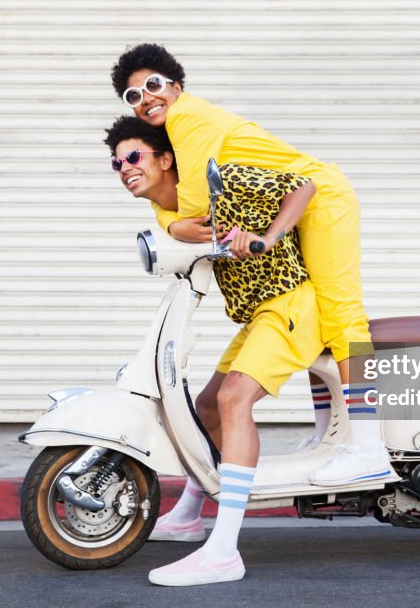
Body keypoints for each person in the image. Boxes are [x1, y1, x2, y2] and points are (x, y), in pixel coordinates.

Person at [110, 44, 389, 485]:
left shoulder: (188, 118)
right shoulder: (181, 142)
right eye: (133, 96)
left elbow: (196, 205)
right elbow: (179, 205)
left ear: (176, 86)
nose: (145, 98)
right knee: (318, 330)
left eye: (153, 85)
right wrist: (171, 220)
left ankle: (369, 449)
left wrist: (174, 222)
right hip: (295, 205)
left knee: (342, 318)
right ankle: (330, 438)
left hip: (322, 198)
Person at [104, 116, 327, 586]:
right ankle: (187, 515)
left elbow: (303, 186)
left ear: (166, 159)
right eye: (116, 162)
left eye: (133, 156)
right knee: (206, 407)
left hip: (292, 305)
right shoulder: (170, 215)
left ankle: (224, 551)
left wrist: (268, 237)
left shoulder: (224, 179)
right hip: (260, 315)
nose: (123, 167)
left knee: (232, 401)